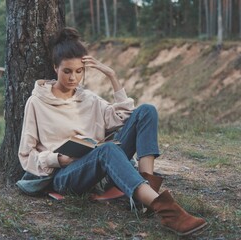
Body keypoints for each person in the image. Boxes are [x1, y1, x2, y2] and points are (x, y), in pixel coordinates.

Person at [17, 27, 207, 236]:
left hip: (97, 163)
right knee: (106, 149)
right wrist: (58, 159)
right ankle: (166, 211)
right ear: (55, 68)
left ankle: (145, 196)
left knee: (146, 111)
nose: (73, 78)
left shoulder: (88, 99)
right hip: (64, 175)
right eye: (67, 71)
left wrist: (112, 76)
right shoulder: (36, 102)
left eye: (79, 71)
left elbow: (124, 117)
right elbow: (26, 154)